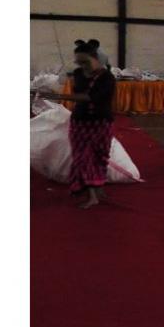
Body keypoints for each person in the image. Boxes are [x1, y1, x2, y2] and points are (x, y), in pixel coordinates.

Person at [38, 41, 116, 208]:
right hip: (80, 122)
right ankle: (92, 195)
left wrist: (58, 97)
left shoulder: (107, 78)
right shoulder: (78, 73)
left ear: (97, 58)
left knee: (100, 156)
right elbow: (79, 93)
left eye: (86, 62)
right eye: (79, 62)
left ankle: (98, 187)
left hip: (100, 122)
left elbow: (90, 97)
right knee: (83, 158)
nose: (82, 66)